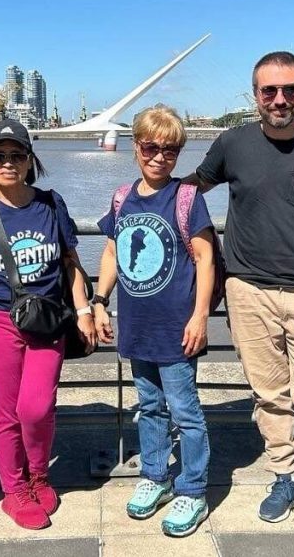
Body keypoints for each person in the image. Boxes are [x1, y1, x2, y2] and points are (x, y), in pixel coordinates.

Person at [189, 51, 294, 542]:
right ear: (255, 95)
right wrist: (136, 202)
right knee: (270, 396)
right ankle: (285, 475)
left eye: (289, 90)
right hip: (246, 290)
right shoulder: (232, 143)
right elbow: (189, 190)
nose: (280, 99)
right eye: (270, 91)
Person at [0, 119, 96, 530]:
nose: (8, 163)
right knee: (6, 413)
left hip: (48, 319)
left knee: (36, 407)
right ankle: (14, 489)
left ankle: (39, 474)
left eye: (17, 155)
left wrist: (85, 311)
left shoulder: (51, 204)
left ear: (30, 159)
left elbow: (71, 263)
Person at [94, 105, 216, 538]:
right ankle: (155, 477)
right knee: (148, 407)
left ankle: (194, 489)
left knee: (186, 411)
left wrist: (200, 316)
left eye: (170, 150)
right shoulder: (122, 197)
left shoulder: (186, 198)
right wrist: (98, 300)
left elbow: (205, 259)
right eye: (151, 147)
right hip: (137, 324)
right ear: (136, 147)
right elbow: (111, 251)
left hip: (177, 327)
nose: (160, 157)